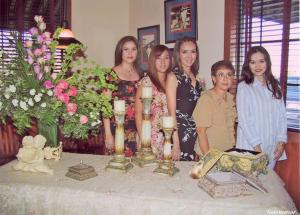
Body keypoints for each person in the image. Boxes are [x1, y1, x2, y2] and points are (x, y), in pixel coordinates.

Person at [236, 46, 287, 169]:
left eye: (261, 61)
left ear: (267, 62)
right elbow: (244, 121)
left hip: (272, 146)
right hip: (251, 147)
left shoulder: (275, 86)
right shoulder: (244, 87)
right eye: (253, 62)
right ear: (248, 65)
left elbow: (282, 116)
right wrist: (257, 150)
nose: (257, 66)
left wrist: (281, 142)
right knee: (248, 185)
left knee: (267, 183)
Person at [103, 36, 142, 157]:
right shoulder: (111, 74)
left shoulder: (141, 74)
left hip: (135, 128)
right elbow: (104, 106)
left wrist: (141, 133)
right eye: (126, 49)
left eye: (133, 49)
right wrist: (108, 134)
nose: (130, 53)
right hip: (116, 127)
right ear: (120, 51)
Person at [166, 37, 202, 161]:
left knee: (192, 175)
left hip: (195, 133)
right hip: (180, 134)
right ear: (178, 54)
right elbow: (171, 113)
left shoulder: (196, 78)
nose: (189, 56)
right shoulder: (173, 77)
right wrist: (176, 143)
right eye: (184, 52)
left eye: (193, 51)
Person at [135, 45, 172, 160]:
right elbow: (137, 113)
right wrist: (144, 140)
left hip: (167, 136)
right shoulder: (146, 82)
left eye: (166, 58)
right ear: (152, 61)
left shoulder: (172, 81)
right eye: (158, 58)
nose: (163, 62)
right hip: (149, 135)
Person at [193, 60, 237, 155]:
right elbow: (201, 131)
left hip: (227, 152)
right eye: (221, 75)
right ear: (214, 78)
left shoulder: (230, 98)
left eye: (229, 75)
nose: (225, 79)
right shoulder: (207, 99)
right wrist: (208, 158)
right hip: (210, 155)